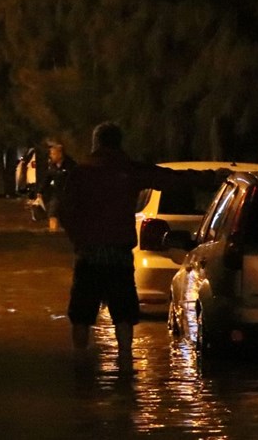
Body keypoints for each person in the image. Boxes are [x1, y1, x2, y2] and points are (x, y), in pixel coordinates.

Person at [58, 122, 227, 368]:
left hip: (88, 254)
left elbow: (65, 211)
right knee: (124, 316)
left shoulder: (80, 173)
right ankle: (125, 363)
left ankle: (81, 366)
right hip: (119, 256)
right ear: (119, 143)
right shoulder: (128, 170)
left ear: (96, 143)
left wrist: (79, 238)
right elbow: (171, 179)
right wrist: (212, 177)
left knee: (81, 317)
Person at [35, 143, 76, 232]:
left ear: (60, 154)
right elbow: (47, 179)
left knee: (68, 217)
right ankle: (53, 233)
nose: (51, 156)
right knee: (52, 214)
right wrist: (40, 192)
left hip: (69, 195)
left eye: (53, 154)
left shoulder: (71, 165)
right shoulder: (52, 167)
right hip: (57, 194)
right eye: (51, 154)